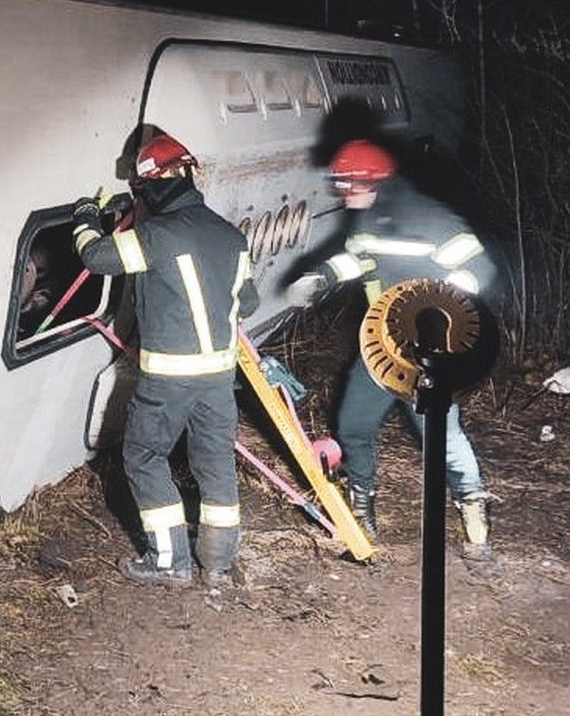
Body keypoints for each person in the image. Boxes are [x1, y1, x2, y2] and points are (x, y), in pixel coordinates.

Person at [282, 139, 497, 559]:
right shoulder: (368, 220)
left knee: (441, 437)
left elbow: (481, 271)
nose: (344, 194)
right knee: (352, 426)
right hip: (379, 344)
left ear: (374, 181)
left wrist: (438, 305)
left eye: (349, 185)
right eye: (340, 185)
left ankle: (475, 520)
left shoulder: (432, 220)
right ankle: (362, 513)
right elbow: (358, 261)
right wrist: (322, 277)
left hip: (429, 352)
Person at [72, 131, 259, 587]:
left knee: (144, 456)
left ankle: (167, 562)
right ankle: (217, 562)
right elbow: (248, 303)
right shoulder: (230, 236)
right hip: (219, 377)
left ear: (150, 186)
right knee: (214, 463)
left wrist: (85, 218)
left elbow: (97, 257)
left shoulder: (155, 235)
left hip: (168, 380)